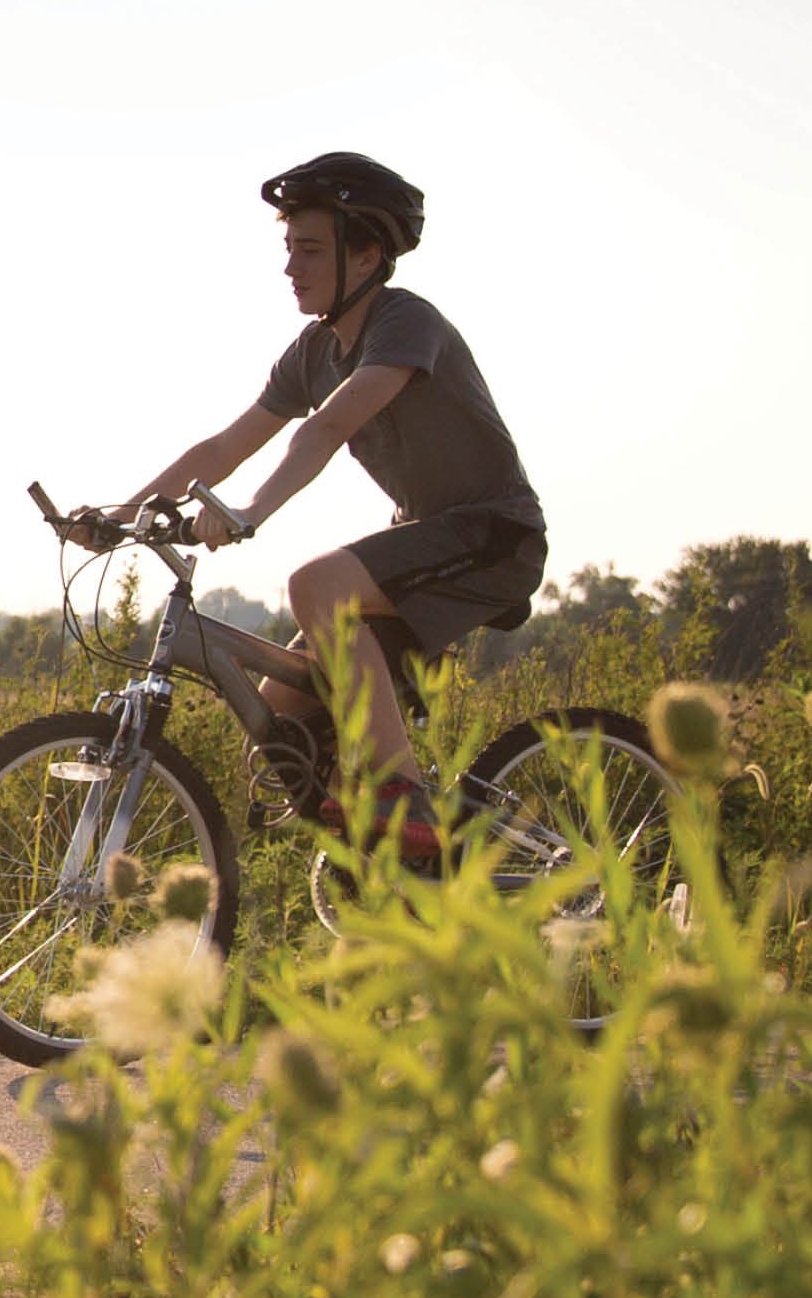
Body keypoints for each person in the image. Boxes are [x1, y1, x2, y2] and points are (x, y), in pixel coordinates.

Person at [115, 152, 549, 864]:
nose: (291, 267)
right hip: (424, 542)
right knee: (281, 709)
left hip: (494, 532)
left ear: (369, 253)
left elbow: (327, 426)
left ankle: (400, 794)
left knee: (316, 583)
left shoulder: (405, 323)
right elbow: (226, 443)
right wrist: (119, 514)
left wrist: (251, 510)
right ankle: (387, 871)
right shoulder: (314, 351)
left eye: (310, 249)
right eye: (288, 249)